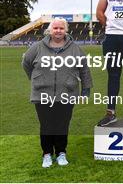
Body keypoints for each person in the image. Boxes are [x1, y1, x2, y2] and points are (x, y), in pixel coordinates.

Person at [22, 18, 93, 168]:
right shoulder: (38, 47)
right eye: (55, 28)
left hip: (67, 93)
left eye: (61, 28)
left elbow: (84, 69)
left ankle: (61, 153)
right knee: (46, 125)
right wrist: (36, 78)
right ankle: (47, 154)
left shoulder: (75, 48)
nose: (58, 31)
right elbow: (26, 62)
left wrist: (86, 89)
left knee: (62, 124)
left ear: (66, 30)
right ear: (50, 30)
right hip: (42, 94)